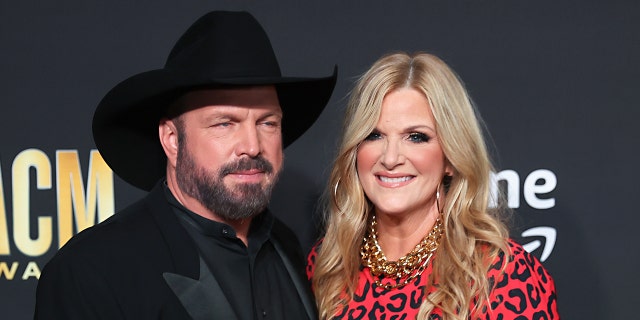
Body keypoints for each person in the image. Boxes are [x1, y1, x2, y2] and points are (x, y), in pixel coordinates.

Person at [34, 11, 337, 320]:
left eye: (267, 123)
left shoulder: (288, 247)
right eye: (224, 124)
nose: (252, 145)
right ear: (172, 140)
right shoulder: (90, 271)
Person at [307, 52, 558, 319]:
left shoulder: (501, 276)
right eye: (374, 135)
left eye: (416, 137)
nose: (390, 158)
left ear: (451, 157)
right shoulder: (327, 267)